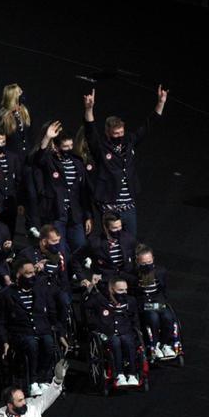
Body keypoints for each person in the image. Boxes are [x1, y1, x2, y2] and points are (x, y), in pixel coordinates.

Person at [82, 85, 168, 236]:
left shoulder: (129, 142)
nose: (119, 136)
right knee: (111, 243)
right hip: (110, 207)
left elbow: (147, 127)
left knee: (130, 242)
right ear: (108, 133)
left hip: (129, 206)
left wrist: (160, 103)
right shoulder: (101, 148)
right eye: (115, 133)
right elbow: (90, 132)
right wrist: (89, 109)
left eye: (121, 132)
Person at [0, 258, 61, 395]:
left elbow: (51, 312)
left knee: (48, 343)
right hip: (20, 333)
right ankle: (33, 381)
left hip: (41, 329)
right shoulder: (6, 295)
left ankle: (43, 379)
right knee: (31, 345)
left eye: (33, 272)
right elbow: (0, 322)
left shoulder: (40, 290)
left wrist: (60, 331)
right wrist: (4, 341)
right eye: (28, 273)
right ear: (19, 275)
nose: (32, 275)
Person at [34, 121, 93, 251]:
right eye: (65, 147)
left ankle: (74, 270)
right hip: (56, 212)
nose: (69, 149)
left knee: (80, 245)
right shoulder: (50, 160)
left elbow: (83, 192)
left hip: (75, 214)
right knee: (59, 248)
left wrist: (88, 216)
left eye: (71, 145)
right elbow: (38, 159)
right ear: (56, 146)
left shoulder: (77, 162)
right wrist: (47, 137)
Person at [84, 277, 142, 387]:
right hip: (108, 333)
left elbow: (135, 320)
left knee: (129, 342)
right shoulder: (100, 300)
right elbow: (85, 304)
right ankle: (119, 374)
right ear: (111, 289)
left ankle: (132, 374)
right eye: (120, 290)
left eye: (125, 290)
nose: (124, 292)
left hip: (125, 331)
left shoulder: (130, 301)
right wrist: (91, 286)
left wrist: (137, 332)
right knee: (115, 342)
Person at [131, 244, 177, 360]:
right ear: (137, 262)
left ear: (153, 259)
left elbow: (163, 289)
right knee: (153, 317)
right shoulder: (133, 275)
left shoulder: (160, 271)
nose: (147, 265)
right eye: (144, 263)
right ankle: (154, 345)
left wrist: (164, 301)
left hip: (157, 301)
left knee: (168, 316)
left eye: (149, 262)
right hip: (144, 304)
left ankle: (165, 344)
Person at [72, 212, 138, 290]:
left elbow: (137, 256)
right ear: (106, 228)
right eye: (114, 228)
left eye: (120, 227)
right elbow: (75, 258)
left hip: (127, 281)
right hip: (105, 282)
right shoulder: (95, 243)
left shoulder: (128, 239)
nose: (118, 230)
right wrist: (83, 278)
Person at [0, 83, 33, 161]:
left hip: (27, 156)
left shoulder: (25, 111)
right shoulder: (2, 116)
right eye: (19, 92)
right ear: (13, 97)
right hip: (12, 158)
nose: (22, 93)